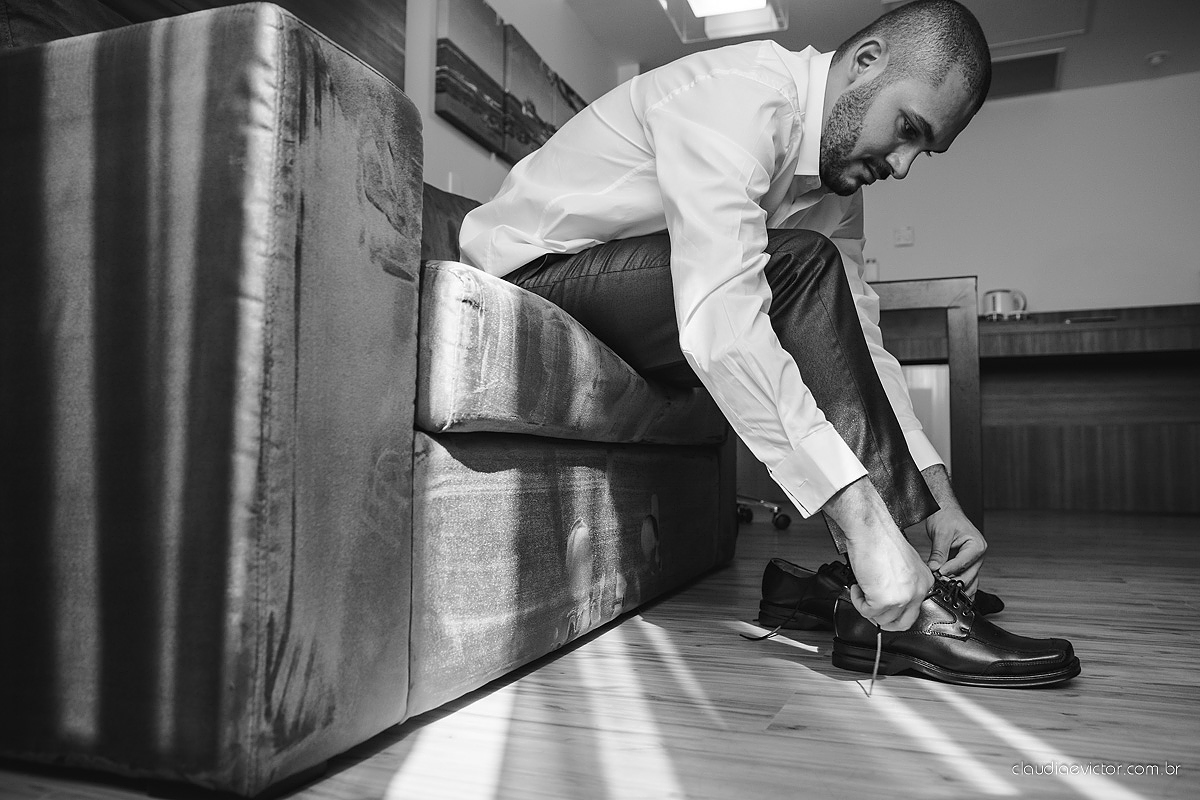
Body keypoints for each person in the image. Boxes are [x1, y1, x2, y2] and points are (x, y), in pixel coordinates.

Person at [460, 0, 1079, 686]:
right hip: (535, 278)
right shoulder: (739, 99)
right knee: (798, 268)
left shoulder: (833, 187)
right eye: (907, 129)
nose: (903, 165)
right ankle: (899, 588)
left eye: (922, 151)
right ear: (867, 61)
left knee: (810, 276)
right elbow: (721, 322)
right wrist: (866, 519)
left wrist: (937, 501)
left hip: (636, 304)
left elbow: (858, 345)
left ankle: (894, 582)